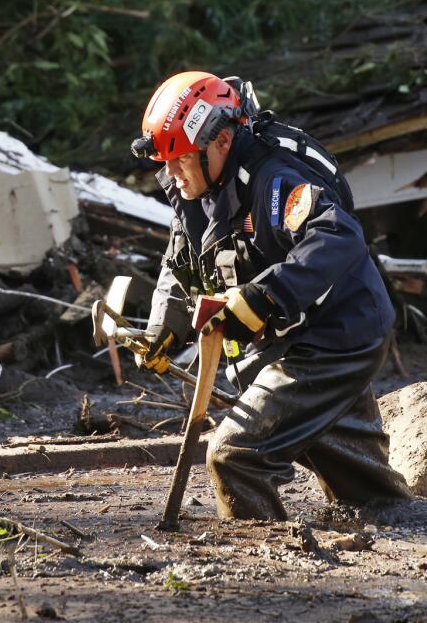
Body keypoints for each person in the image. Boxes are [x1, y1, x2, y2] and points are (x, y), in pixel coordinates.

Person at [131, 70, 411, 520]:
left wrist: (267, 295)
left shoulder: (274, 180)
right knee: (367, 493)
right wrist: (164, 328)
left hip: (335, 339)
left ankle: (266, 572)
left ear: (221, 142)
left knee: (235, 457)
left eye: (180, 159)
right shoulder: (195, 185)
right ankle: (411, 523)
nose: (171, 172)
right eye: (166, 161)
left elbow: (338, 234)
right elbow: (178, 260)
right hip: (288, 340)